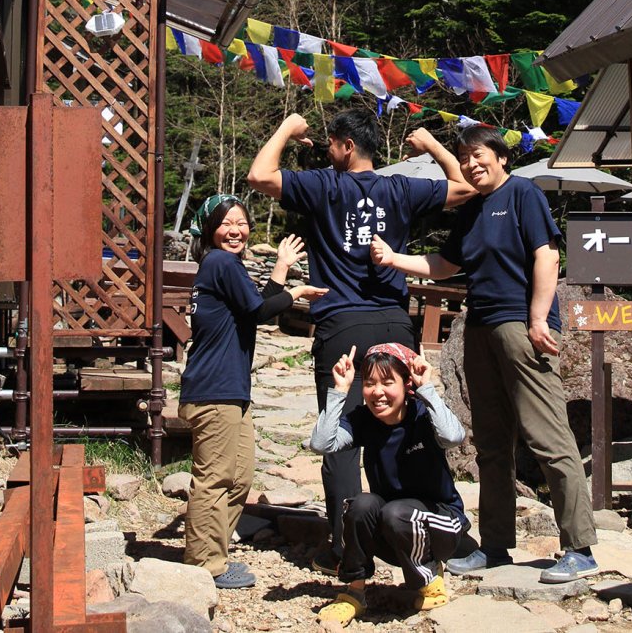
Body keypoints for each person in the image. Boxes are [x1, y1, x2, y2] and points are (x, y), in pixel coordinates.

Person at [370, 125, 599, 583]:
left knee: (547, 437)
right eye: (465, 157)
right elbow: (446, 265)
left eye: (479, 156)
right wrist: (394, 258)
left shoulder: (523, 195)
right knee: (492, 444)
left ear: (501, 157)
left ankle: (579, 548)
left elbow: (546, 256)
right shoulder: (472, 209)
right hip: (478, 328)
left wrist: (538, 318)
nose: (472, 164)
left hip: (520, 327)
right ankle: (495, 546)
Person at [248, 110, 475, 569]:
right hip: (395, 325)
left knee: (341, 439)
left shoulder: (323, 186)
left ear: (347, 146)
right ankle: (420, 531)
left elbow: (259, 175)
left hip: (342, 327)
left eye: (331, 143)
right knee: (414, 426)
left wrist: (288, 129)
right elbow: (466, 187)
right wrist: (431, 144)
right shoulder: (399, 187)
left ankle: (347, 553)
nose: (327, 151)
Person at [179, 193, 327, 589]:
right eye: (226, 223)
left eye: (242, 222)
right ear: (210, 230)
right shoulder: (221, 261)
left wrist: (280, 269)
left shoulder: (224, 266)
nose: (236, 230)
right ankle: (203, 565)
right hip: (214, 391)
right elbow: (261, 311)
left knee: (239, 478)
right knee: (214, 479)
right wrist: (295, 293)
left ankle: (215, 552)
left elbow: (254, 306)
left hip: (230, 390)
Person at [309, 342, 469, 624]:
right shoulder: (365, 420)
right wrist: (339, 391)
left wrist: (426, 387)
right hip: (394, 526)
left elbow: (454, 437)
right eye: (369, 383)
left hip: (441, 527)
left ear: (406, 383)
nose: (377, 392)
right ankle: (353, 594)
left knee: (396, 513)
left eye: (387, 382)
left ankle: (430, 578)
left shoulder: (421, 413)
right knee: (360, 505)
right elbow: (321, 443)